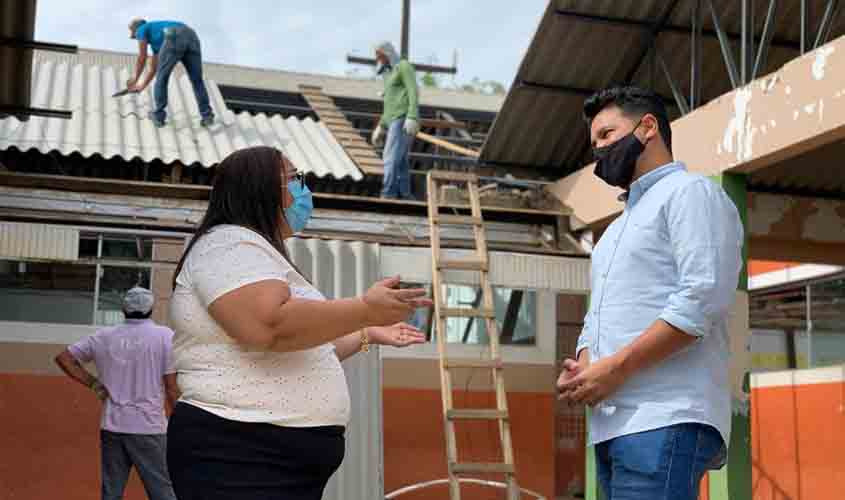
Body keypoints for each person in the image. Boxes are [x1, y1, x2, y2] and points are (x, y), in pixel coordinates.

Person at [165, 145, 432, 500]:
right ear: (257, 188)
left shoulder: (256, 252)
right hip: (242, 454)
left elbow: (308, 345)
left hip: (267, 457)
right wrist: (365, 309)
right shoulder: (228, 245)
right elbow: (268, 327)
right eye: (294, 179)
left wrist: (369, 334)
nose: (303, 189)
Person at [557, 86, 743, 500]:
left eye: (607, 134)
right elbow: (599, 315)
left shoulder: (691, 193)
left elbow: (701, 299)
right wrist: (587, 366)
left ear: (647, 127)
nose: (600, 151)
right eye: (594, 144)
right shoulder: (615, 230)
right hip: (613, 424)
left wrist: (617, 368)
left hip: (665, 416)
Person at [54, 287, 178, 500]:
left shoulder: (103, 336)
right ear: (151, 309)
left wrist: (94, 384)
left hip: (112, 427)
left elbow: (64, 358)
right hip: (149, 428)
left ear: (123, 309)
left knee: (111, 493)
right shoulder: (165, 337)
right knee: (162, 492)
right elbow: (171, 388)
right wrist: (180, 421)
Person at [126, 18, 214, 128]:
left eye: (135, 36)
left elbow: (142, 57)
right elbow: (153, 69)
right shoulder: (157, 43)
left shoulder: (142, 29)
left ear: (136, 29)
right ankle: (207, 116)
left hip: (174, 35)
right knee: (197, 80)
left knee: (162, 78)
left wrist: (135, 78)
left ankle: (158, 116)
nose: (136, 38)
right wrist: (141, 86)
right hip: (192, 36)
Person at [370, 41, 420, 200]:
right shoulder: (387, 74)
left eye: (380, 56)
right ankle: (405, 193)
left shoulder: (403, 66)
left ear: (388, 53)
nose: (379, 59)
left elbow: (413, 90)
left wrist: (412, 115)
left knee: (390, 155)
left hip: (403, 117)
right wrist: (381, 126)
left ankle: (388, 193)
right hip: (393, 119)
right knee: (401, 158)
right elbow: (389, 104)